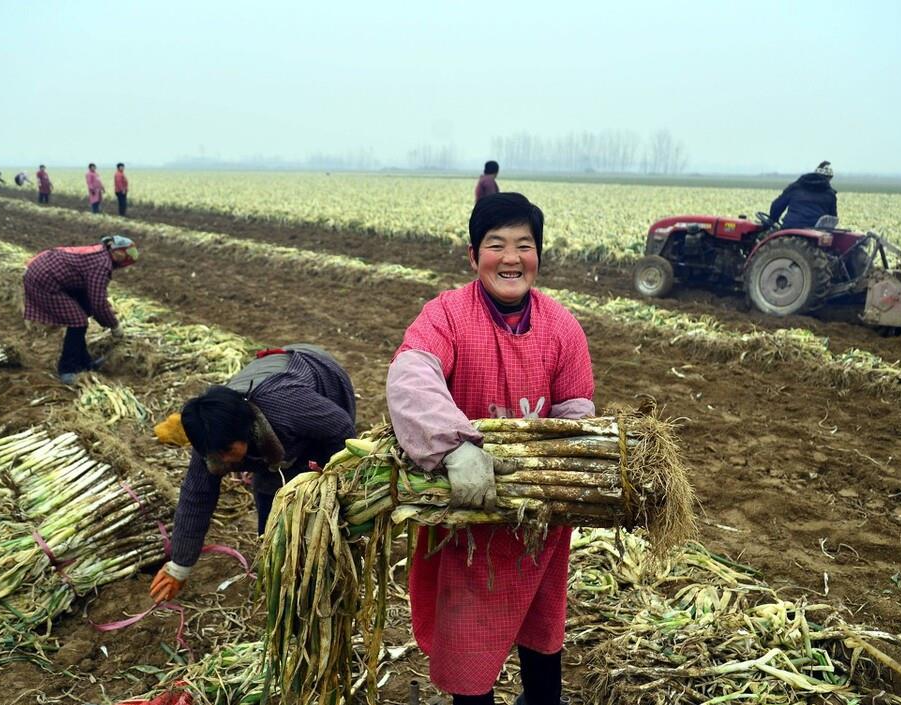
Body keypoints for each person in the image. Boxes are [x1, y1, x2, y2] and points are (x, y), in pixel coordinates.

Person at [385, 193, 595, 705]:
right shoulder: (447, 316)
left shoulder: (561, 325)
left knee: (542, 616)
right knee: (469, 638)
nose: (511, 257)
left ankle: (542, 701)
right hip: (468, 513)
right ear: (472, 255)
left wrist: (571, 468)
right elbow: (411, 375)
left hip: (538, 511)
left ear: (538, 256)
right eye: (496, 244)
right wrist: (455, 447)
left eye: (524, 245)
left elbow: (576, 406)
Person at [148, 345, 357, 603]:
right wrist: (179, 567)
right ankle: (275, 562)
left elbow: (340, 428)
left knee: (314, 487)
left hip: (322, 380)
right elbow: (196, 498)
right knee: (271, 492)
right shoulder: (210, 438)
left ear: (246, 430)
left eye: (227, 450)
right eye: (216, 454)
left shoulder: (287, 405)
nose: (223, 460)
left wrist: (333, 481)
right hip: (271, 420)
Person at [22, 235, 138, 384]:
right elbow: (98, 303)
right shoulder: (102, 265)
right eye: (126, 255)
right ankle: (67, 369)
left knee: (81, 314)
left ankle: (84, 363)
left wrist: (102, 313)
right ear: (117, 252)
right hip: (44, 279)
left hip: (49, 272)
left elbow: (93, 297)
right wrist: (114, 325)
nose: (126, 261)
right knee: (78, 321)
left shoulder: (100, 253)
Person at [768, 161, 837, 230]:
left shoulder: (795, 187)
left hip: (791, 228)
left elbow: (777, 206)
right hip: (816, 231)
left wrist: (773, 219)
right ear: (829, 178)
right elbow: (832, 217)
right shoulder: (830, 194)